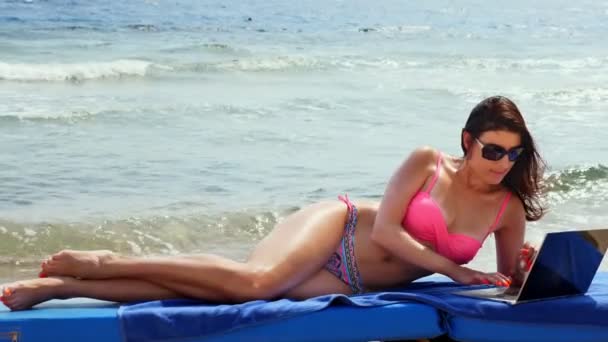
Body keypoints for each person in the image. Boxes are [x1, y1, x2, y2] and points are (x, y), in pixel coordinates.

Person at [0, 95, 545, 311]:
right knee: (255, 283)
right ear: (467, 141)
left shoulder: (508, 209)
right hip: (342, 229)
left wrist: (523, 270)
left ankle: (63, 286)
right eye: (493, 149)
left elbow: (503, 282)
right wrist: (454, 269)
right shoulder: (427, 162)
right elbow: (386, 234)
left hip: (351, 282)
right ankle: (100, 263)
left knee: (222, 295)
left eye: (514, 154)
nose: (503, 162)